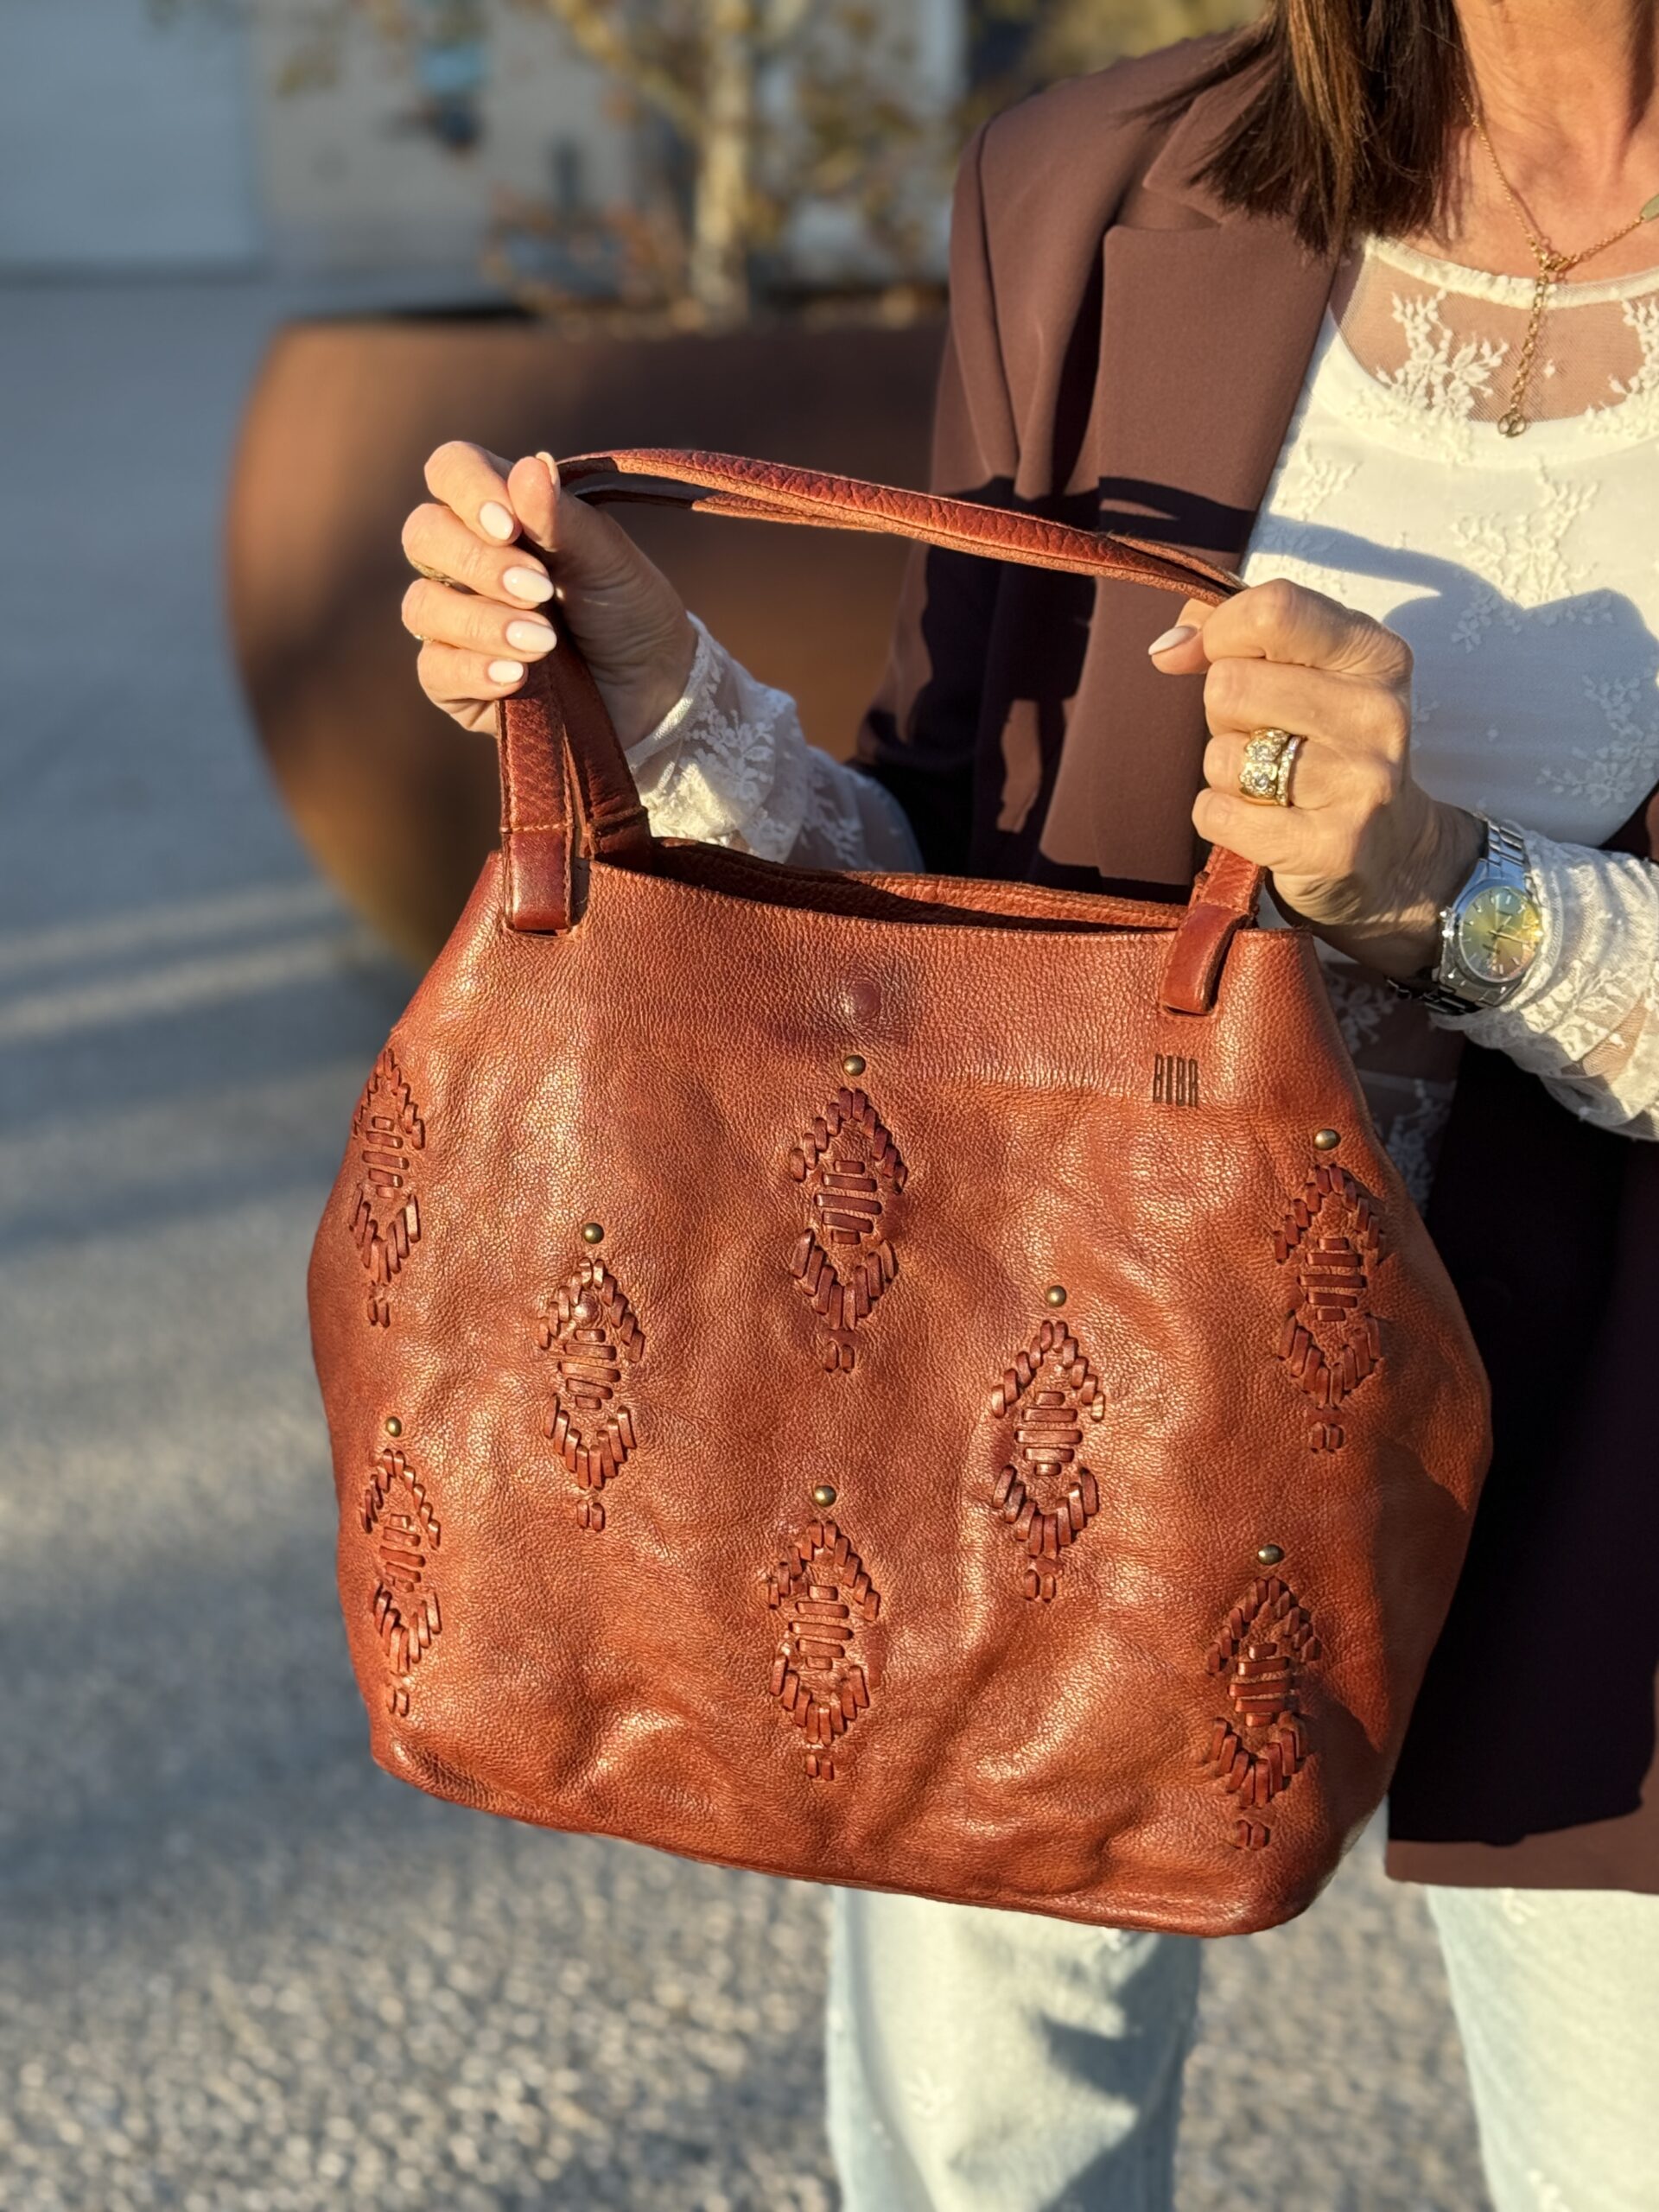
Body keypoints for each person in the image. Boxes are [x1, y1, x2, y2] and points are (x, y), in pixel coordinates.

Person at [396, 3, 1659, 2202]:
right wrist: (663, 708)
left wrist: (1450, 890)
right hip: (1036, 1425)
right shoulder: (1097, 186)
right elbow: (946, 907)